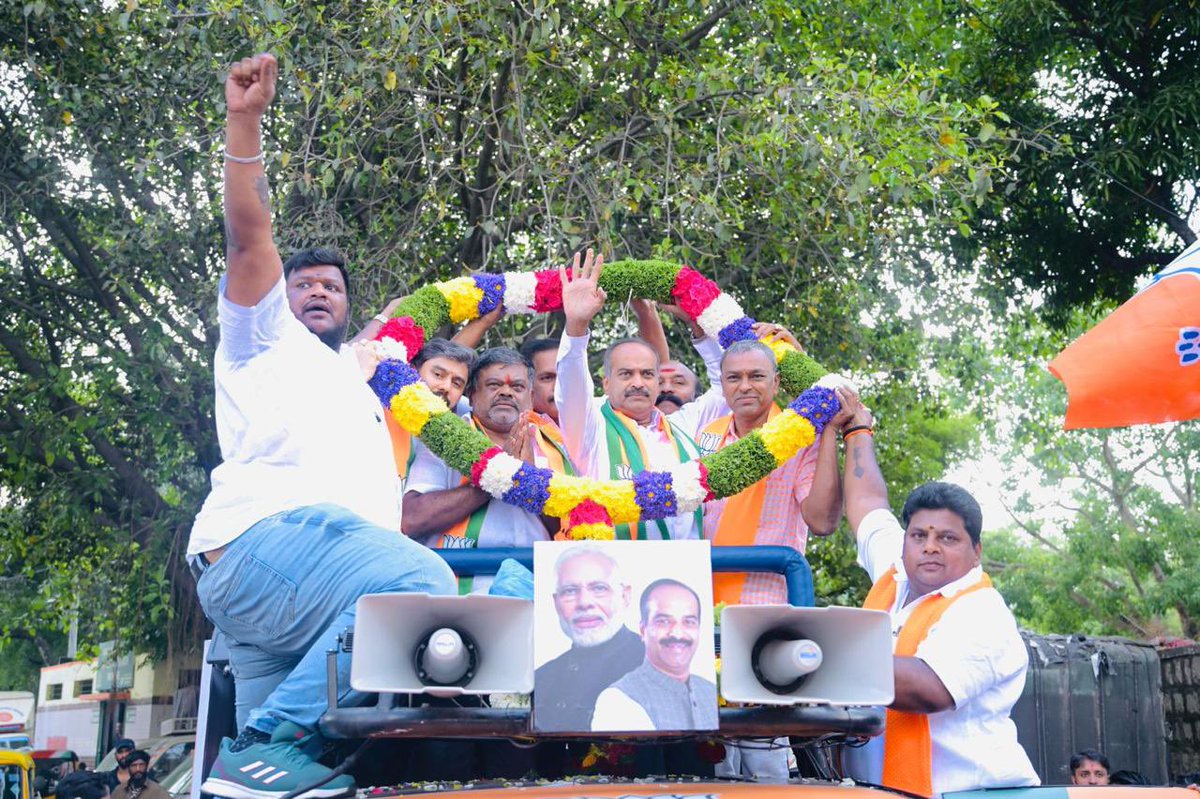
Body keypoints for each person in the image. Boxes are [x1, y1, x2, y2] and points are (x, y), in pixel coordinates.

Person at [191, 53, 456, 799]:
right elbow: (250, 238)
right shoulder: (260, 336)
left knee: (265, 786)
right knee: (421, 577)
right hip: (264, 543)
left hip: (296, 602)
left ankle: (257, 756)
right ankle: (273, 741)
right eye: (302, 282)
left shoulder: (363, 383)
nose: (315, 291)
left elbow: (451, 331)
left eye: (331, 286)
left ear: (349, 306)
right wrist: (245, 121)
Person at [837, 388, 1039, 797]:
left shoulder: (982, 611)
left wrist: (819, 658)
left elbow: (926, 689)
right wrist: (858, 429)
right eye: (919, 535)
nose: (930, 546)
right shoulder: (896, 575)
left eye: (948, 537)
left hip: (966, 795)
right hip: (881, 791)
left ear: (976, 551)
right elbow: (867, 502)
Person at [698, 337, 842, 781]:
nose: (746, 386)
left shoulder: (801, 437)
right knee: (709, 753)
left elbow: (821, 520)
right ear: (720, 384)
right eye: (735, 377)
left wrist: (831, 431)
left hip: (764, 614)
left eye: (757, 376)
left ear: (776, 382)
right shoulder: (702, 436)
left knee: (763, 750)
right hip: (700, 612)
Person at [555, 250, 729, 539]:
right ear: (606, 383)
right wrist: (576, 325)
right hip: (612, 571)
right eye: (626, 374)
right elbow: (571, 384)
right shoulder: (590, 427)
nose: (638, 382)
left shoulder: (684, 426)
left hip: (684, 576)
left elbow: (726, 388)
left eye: (647, 374)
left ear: (659, 384)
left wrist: (698, 326)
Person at [403, 348, 575, 591]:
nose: (506, 391)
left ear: (531, 396)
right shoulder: (445, 439)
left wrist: (531, 483)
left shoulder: (555, 446)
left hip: (537, 584)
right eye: (494, 385)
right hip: (455, 585)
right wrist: (498, 476)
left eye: (517, 387)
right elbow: (413, 519)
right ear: (472, 396)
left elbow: (571, 526)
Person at [535, 547, 646, 731]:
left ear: (625, 596)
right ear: (556, 602)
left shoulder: (656, 666)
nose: (584, 602)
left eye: (599, 588)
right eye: (570, 591)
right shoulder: (541, 678)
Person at [591, 579, 718, 732]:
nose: (677, 633)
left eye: (689, 622)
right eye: (663, 621)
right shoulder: (617, 700)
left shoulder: (711, 691)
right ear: (643, 630)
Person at [383, 338, 477, 482]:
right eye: (438, 375)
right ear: (413, 371)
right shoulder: (378, 405)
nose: (446, 387)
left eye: (456, 384)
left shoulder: (460, 423)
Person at [519, 338, 561, 423]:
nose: (558, 386)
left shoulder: (594, 420)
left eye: (565, 377)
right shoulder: (512, 432)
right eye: (547, 378)